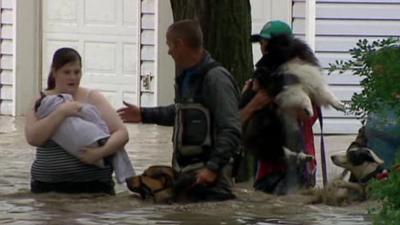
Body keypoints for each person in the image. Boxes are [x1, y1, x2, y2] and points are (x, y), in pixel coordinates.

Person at [117, 19, 241, 202]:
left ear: (180, 44)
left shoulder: (216, 79)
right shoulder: (186, 77)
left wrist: (213, 168)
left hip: (211, 178)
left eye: (169, 45)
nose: (169, 52)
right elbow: (181, 114)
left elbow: (231, 129)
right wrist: (144, 114)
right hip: (186, 174)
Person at [25, 47, 134, 194]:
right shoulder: (42, 101)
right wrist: (62, 113)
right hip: (48, 189)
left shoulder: (92, 97)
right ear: (54, 72)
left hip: (94, 188)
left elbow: (122, 133)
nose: (73, 77)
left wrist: (99, 153)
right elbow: (33, 138)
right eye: (67, 72)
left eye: (77, 72)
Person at [241, 20, 319, 194]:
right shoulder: (259, 78)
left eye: (266, 43)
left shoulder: (304, 77)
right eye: (261, 43)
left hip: (298, 167)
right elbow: (237, 122)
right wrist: (254, 101)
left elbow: (306, 116)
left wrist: (275, 94)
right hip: (263, 168)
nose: (263, 48)